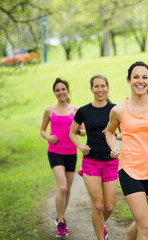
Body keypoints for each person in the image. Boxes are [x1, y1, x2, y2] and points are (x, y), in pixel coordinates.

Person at [105, 61, 148, 240]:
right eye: (136, 77)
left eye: (144, 77)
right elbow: (109, 133)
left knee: (144, 222)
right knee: (146, 226)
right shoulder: (118, 110)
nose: (140, 81)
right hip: (130, 171)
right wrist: (114, 147)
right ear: (129, 80)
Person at [69, 74, 120, 240]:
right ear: (92, 89)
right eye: (96, 86)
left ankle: (100, 223)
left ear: (107, 87)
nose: (100, 89)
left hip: (111, 162)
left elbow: (123, 133)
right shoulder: (84, 111)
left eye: (103, 86)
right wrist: (80, 146)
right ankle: (100, 237)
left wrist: (115, 136)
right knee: (98, 206)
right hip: (91, 162)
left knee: (109, 206)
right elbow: (72, 132)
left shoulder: (115, 109)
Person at [40, 78, 82, 237]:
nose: (61, 92)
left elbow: (82, 129)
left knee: (68, 188)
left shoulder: (76, 110)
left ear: (68, 90)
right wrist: (48, 137)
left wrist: (81, 132)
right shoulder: (49, 110)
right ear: (55, 93)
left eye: (63, 89)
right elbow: (42, 130)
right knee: (63, 187)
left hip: (71, 152)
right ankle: (60, 220)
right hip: (55, 152)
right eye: (57, 90)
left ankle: (61, 218)